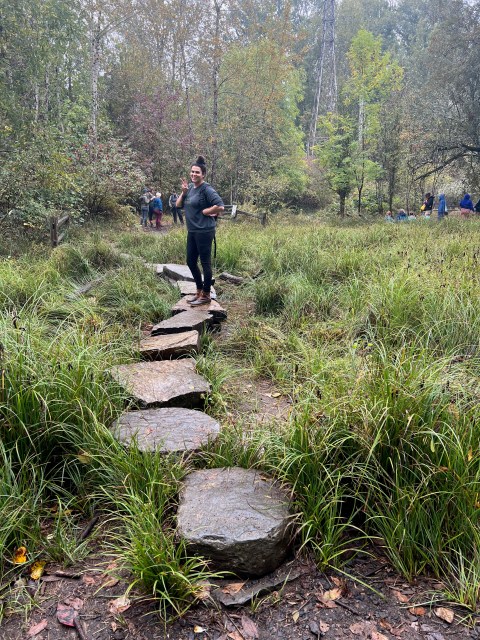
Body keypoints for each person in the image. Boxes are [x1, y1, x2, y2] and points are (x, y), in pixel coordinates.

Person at [176, 155, 224, 306]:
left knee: (205, 263)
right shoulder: (189, 188)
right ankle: (198, 291)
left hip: (204, 231)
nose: (194, 174)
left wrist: (206, 212)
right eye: (192, 172)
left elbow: (220, 206)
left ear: (203, 174)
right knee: (190, 261)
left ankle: (206, 294)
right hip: (193, 230)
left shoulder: (206, 189)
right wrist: (183, 193)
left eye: (197, 172)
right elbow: (178, 205)